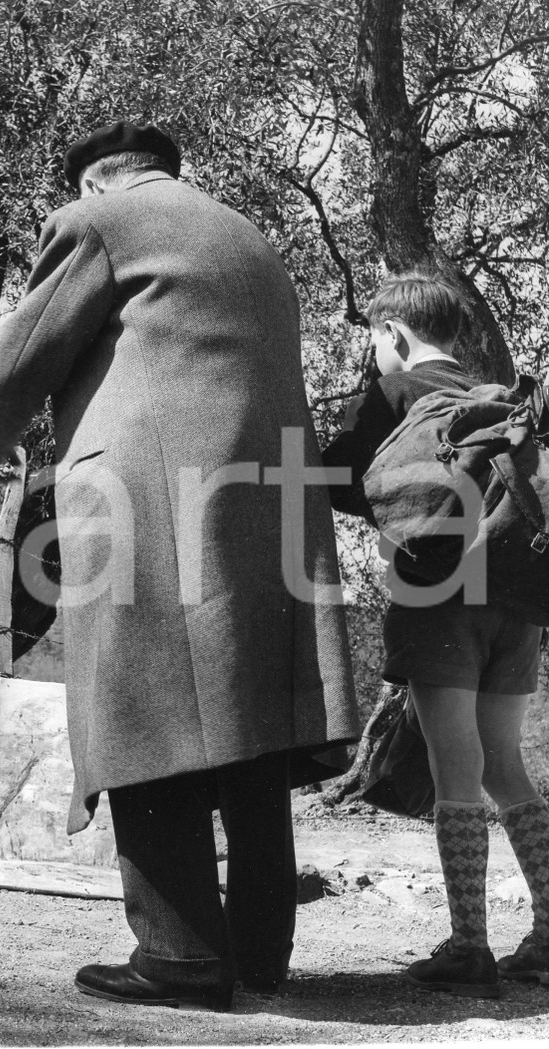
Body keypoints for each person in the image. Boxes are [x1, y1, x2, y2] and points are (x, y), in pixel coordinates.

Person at [0, 121, 360, 1011]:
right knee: (245, 713)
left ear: (98, 178)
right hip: (270, 500)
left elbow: (21, 356)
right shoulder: (250, 239)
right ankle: (260, 951)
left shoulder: (97, 221)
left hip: (154, 496)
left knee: (142, 697)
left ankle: (180, 956)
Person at [321, 273, 549, 998]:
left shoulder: (394, 397)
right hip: (518, 601)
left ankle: (469, 946)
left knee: (457, 761)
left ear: (393, 335)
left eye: (374, 344)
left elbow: (335, 481)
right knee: (502, 763)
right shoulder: (496, 399)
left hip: (439, 598)